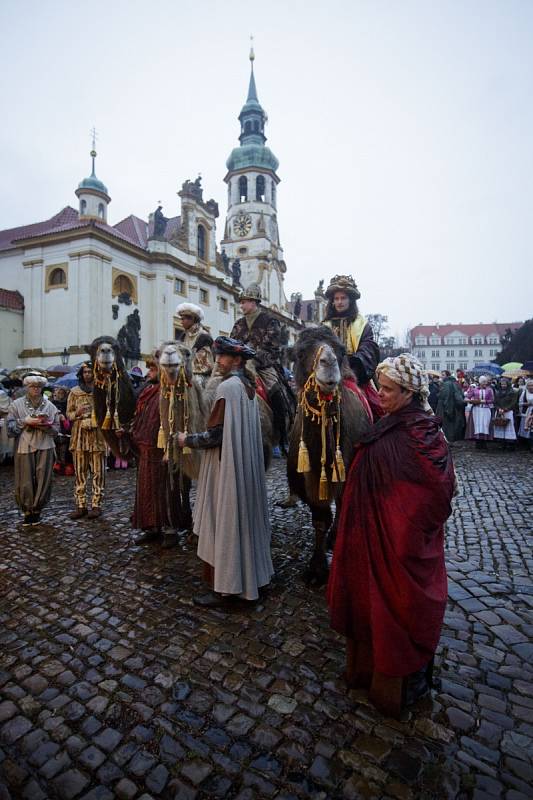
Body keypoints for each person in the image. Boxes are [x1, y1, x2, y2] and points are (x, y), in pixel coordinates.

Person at [327, 354, 455, 719]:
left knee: (396, 607)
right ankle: (365, 671)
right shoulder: (391, 425)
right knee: (371, 605)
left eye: (387, 390)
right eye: (379, 387)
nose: (379, 395)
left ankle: (397, 684)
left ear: (410, 392)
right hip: (372, 537)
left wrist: (400, 529)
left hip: (396, 543)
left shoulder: (420, 435)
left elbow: (435, 491)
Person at [176, 336, 274, 608]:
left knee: (225, 522)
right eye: (218, 356)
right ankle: (250, 579)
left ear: (238, 361)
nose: (217, 361)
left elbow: (215, 436)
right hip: (242, 468)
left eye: (224, 357)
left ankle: (226, 587)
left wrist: (187, 440)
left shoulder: (228, 387)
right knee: (241, 521)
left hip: (226, 469)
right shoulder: (247, 386)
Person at [231, 284, 294, 452]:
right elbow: (232, 345)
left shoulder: (270, 321)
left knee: (276, 392)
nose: (242, 305)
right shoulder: (238, 324)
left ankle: (282, 434)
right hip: (239, 366)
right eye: (241, 302)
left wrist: (253, 360)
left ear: (254, 302)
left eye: (244, 302)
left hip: (264, 366)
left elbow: (273, 347)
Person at [322, 274, 382, 420]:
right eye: (336, 299)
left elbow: (368, 351)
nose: (339, 302)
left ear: (350, 300)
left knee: (380, 411)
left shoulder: (362, 325)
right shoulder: (324, 326)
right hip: (326, 376)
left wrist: (350, 368)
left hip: (356, 376)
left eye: (343, 298)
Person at [7, 374, 60, 526]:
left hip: (46, 444)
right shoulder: (16, 405)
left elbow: (57, 430)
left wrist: (47, 426)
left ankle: (37, 510)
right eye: (32, 386)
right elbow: (10, 429)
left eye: (38, 387)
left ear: (42, 388)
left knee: (44, 477)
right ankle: (27, 510)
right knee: (25, 478)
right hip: (25, 445)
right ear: (27, 387)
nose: (36, 389)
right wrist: (25, 421)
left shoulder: (50, 406)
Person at [66, 363, 107, 519]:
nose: (87, 375)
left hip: (97, 436)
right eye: (85, 372)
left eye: (90, 372)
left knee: (98, 472)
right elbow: (68, 414)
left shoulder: (101, 391)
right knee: (80, 472)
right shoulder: (74, 393)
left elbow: (108, 411)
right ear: (81, 374)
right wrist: (77, 413)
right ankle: (80, 504)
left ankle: (96, 504)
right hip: (79, 437)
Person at [175, 303, 214, 387]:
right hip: (185, 374)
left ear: (192, 319)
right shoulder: (183, 336)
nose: (181, 322)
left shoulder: (204, 337)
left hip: (201, 378)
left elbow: (204, 366)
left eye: (183, 319)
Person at [436, 370, 466, 442]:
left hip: (445, 407)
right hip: (452, 407)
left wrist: (447, 409)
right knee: (451, 425)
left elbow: (447, 397)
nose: (441, 376)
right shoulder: (455, 383)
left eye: (443, 375)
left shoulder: (446, 384)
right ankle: (450, 439)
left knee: (446, 425)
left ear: (447, 376)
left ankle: (445, 440)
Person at [465, 376, 494, 448]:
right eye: (484, 382)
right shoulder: (474, 389)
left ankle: (484, 442)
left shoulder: (489, 390)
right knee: (477, 425)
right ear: (480, 382)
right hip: (476, 409)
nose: (485, 383)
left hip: (486, 409)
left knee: (485, 424)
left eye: (486, 381)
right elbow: (466, 398)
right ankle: (477, 442)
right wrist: (472, 401)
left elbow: (492, 400)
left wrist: (484, 401)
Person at [52, 386, 74, 475]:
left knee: (64, 451)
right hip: (56, 429)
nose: (60, 395)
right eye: (59, 393)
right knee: (56, 450)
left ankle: (64, 467)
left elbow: (70, 415)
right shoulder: (53, 404)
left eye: (62, 393)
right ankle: (57, 466)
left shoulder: (67, 404)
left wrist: (65, 418)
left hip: (66, 430)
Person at [493, 377, 518, 449]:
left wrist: (506, 409)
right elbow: (495, 402)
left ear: (507, 384)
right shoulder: (498, 393)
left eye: (504, 384)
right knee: (500, 426)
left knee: (509, 427)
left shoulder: (512, 392)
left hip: (508, 411)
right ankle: (501, 443)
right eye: (502, 384)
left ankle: (510, 443)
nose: (503, 385)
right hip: (500, 411)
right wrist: (499, 409)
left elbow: (513, 402)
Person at [518, 378, 533, 449]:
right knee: (525, 426)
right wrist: (526, 403)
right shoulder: (524, 393)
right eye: (529, 385)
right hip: (526, 411)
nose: (531, 387)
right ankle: (525, 443)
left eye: (532, 385)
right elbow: (520, 403)